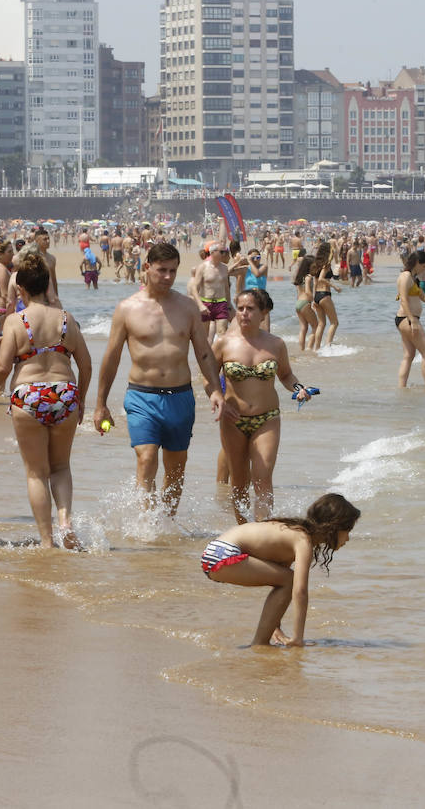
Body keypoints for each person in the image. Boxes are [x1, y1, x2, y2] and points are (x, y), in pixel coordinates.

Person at [92, 242, 226, 517]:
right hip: (142, 396)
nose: (167, 276)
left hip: (180, 397)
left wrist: (215, 389)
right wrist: (100, 404)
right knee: (147, 457)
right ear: (146, 267)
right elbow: (112, 358)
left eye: (173, 271)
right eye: (161, 270)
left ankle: (166, 521)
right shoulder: (127, 309)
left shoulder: (188, 308)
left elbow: (203, 352)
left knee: (176, 468)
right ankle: (146, 523)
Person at [0, 252, 93, 549]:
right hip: (64, 393)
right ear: (48, 286)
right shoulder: (66, 320)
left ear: (20, 290)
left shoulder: (15, 321)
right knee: (60, 466)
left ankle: (47, 541)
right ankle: (66, 523)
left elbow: (3, 366)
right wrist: (81, 399)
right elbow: (85, 365)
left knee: (36, 472)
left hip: (29, 395)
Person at [200, 493, 359, 647]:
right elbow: (300, 591)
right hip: (225, 554)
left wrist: (275, 627)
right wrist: (298, 637)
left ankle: (265, 638)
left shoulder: (294, 532)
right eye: (347, 531)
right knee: (289, 579)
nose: (348, 538)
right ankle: (259, 643)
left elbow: (279, 586)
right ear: (333, 527)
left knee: (285, 579)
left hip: (213, 553)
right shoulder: (303, 540)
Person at [213, 289, 311, 523]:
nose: (244, 313)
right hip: (233, 419)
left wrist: (299, 390)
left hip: (266, 418)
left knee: (263, 477)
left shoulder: (276, 344)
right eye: (240, 308)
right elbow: (209, 377)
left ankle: (263, 529)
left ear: (263, 312)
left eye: (250, 309)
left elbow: (287, 376)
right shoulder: (224, 343)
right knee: (239, 480)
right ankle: (244, 531)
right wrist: (216, 396)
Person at [395, 250, 425, 388]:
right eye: (423, 266)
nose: (424, 270)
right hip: (407, 319)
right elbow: (404, 301)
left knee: (409, 355)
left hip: (407, 319)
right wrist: (413, 321)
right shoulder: (405, 276)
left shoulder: (413, 278)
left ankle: (402, 388)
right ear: (417, 263)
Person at [189, 242, 234, 340]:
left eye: (225, 252)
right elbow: (194, 288)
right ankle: (206, 354)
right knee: (203, 336)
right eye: (222, 252)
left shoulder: (224, 268)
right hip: (206, 303)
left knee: (222, 333)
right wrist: (200, 305)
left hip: (221, 303)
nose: (224, 254)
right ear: (213, 252)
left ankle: (218, 355)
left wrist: (229, 304)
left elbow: (226, 287)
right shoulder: (202, 267)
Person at [309, 241, 343, 349]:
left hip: (318, 295)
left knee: (321, 324)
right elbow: (321, 279)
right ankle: (328, 347)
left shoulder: (316, 264)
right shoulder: (326, 264)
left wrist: (314, 299)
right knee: (334, 323)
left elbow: (315, 282)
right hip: (324, 294)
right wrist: (334, 286)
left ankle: (317, 348)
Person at [292, 254, 320, 349]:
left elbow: (299, 292)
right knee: (316, 326)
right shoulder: (308, 277)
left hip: (298, 303)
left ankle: (302, 349)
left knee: (303, 328)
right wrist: (313, 300)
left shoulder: (299, 277)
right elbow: (308, 292)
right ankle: (310, 348)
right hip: (305, 303)